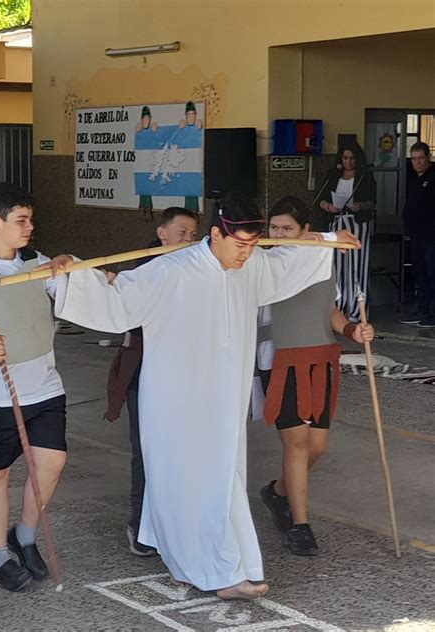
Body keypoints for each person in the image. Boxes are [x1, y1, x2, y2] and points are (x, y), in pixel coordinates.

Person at [45, 192, 358, 600]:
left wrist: (332, 240)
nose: (246, 254)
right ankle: (204, 568)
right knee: (180, 481)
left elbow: (290, 261)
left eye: (252, 244)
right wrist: (66, 276)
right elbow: (117, 300)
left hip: (222, 399)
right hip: (173, 400)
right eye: (239, 245)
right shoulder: (170, 270)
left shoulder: (254, 264)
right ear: (216, 234)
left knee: (219, 478)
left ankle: (215, 566)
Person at [0, 182, 67, 592]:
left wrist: (68, 266)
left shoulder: (35, 263)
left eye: (31, 220)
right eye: (21, 221)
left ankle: (23, 536)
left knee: (51, 464)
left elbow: (71, 288)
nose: (29, 228)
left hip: (44, 387)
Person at [256, 197, 374, 556]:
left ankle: (277, 492)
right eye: (274, 228)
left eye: (287, 229)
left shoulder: (320, 258)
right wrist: (329, 236)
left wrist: (352, 330)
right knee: (296, 443)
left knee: (317, 446)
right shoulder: (264, 264)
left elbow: (328, 307)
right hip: (280, 360)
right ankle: (300, 525)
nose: (279, 235)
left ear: (304, 230)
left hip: (320, 357)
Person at [104, 207, 198, 557]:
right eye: (181, 232)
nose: (188, 238)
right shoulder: (142, 272)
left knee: (182, 454)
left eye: (192, 233)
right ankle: (140, 524)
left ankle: (177, 525)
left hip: (186, 376)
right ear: (162, 233)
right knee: (147, 453)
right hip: (144, 373)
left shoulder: (198, 272)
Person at [319, 141, 376, 322]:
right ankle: (339, 308)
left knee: (357, 266)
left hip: (357, 224)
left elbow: (372, 202)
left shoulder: (364, 177)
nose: (348, 162)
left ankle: (357, 309)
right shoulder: (333, 176)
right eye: (345, 158)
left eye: (352, 158)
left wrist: (359, 206)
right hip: (337, 222)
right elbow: (321, 199)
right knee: (338, 267)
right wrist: (328, 207)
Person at [400, 142, 435, 328]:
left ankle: (432, 312)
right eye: (414, 158)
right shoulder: (413, 178)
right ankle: (422, 309)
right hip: (416, 235)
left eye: (421, 158)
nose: (417, 162)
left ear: (428, 157)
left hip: (431, 235)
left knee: (432, 272)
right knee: (419, 273)